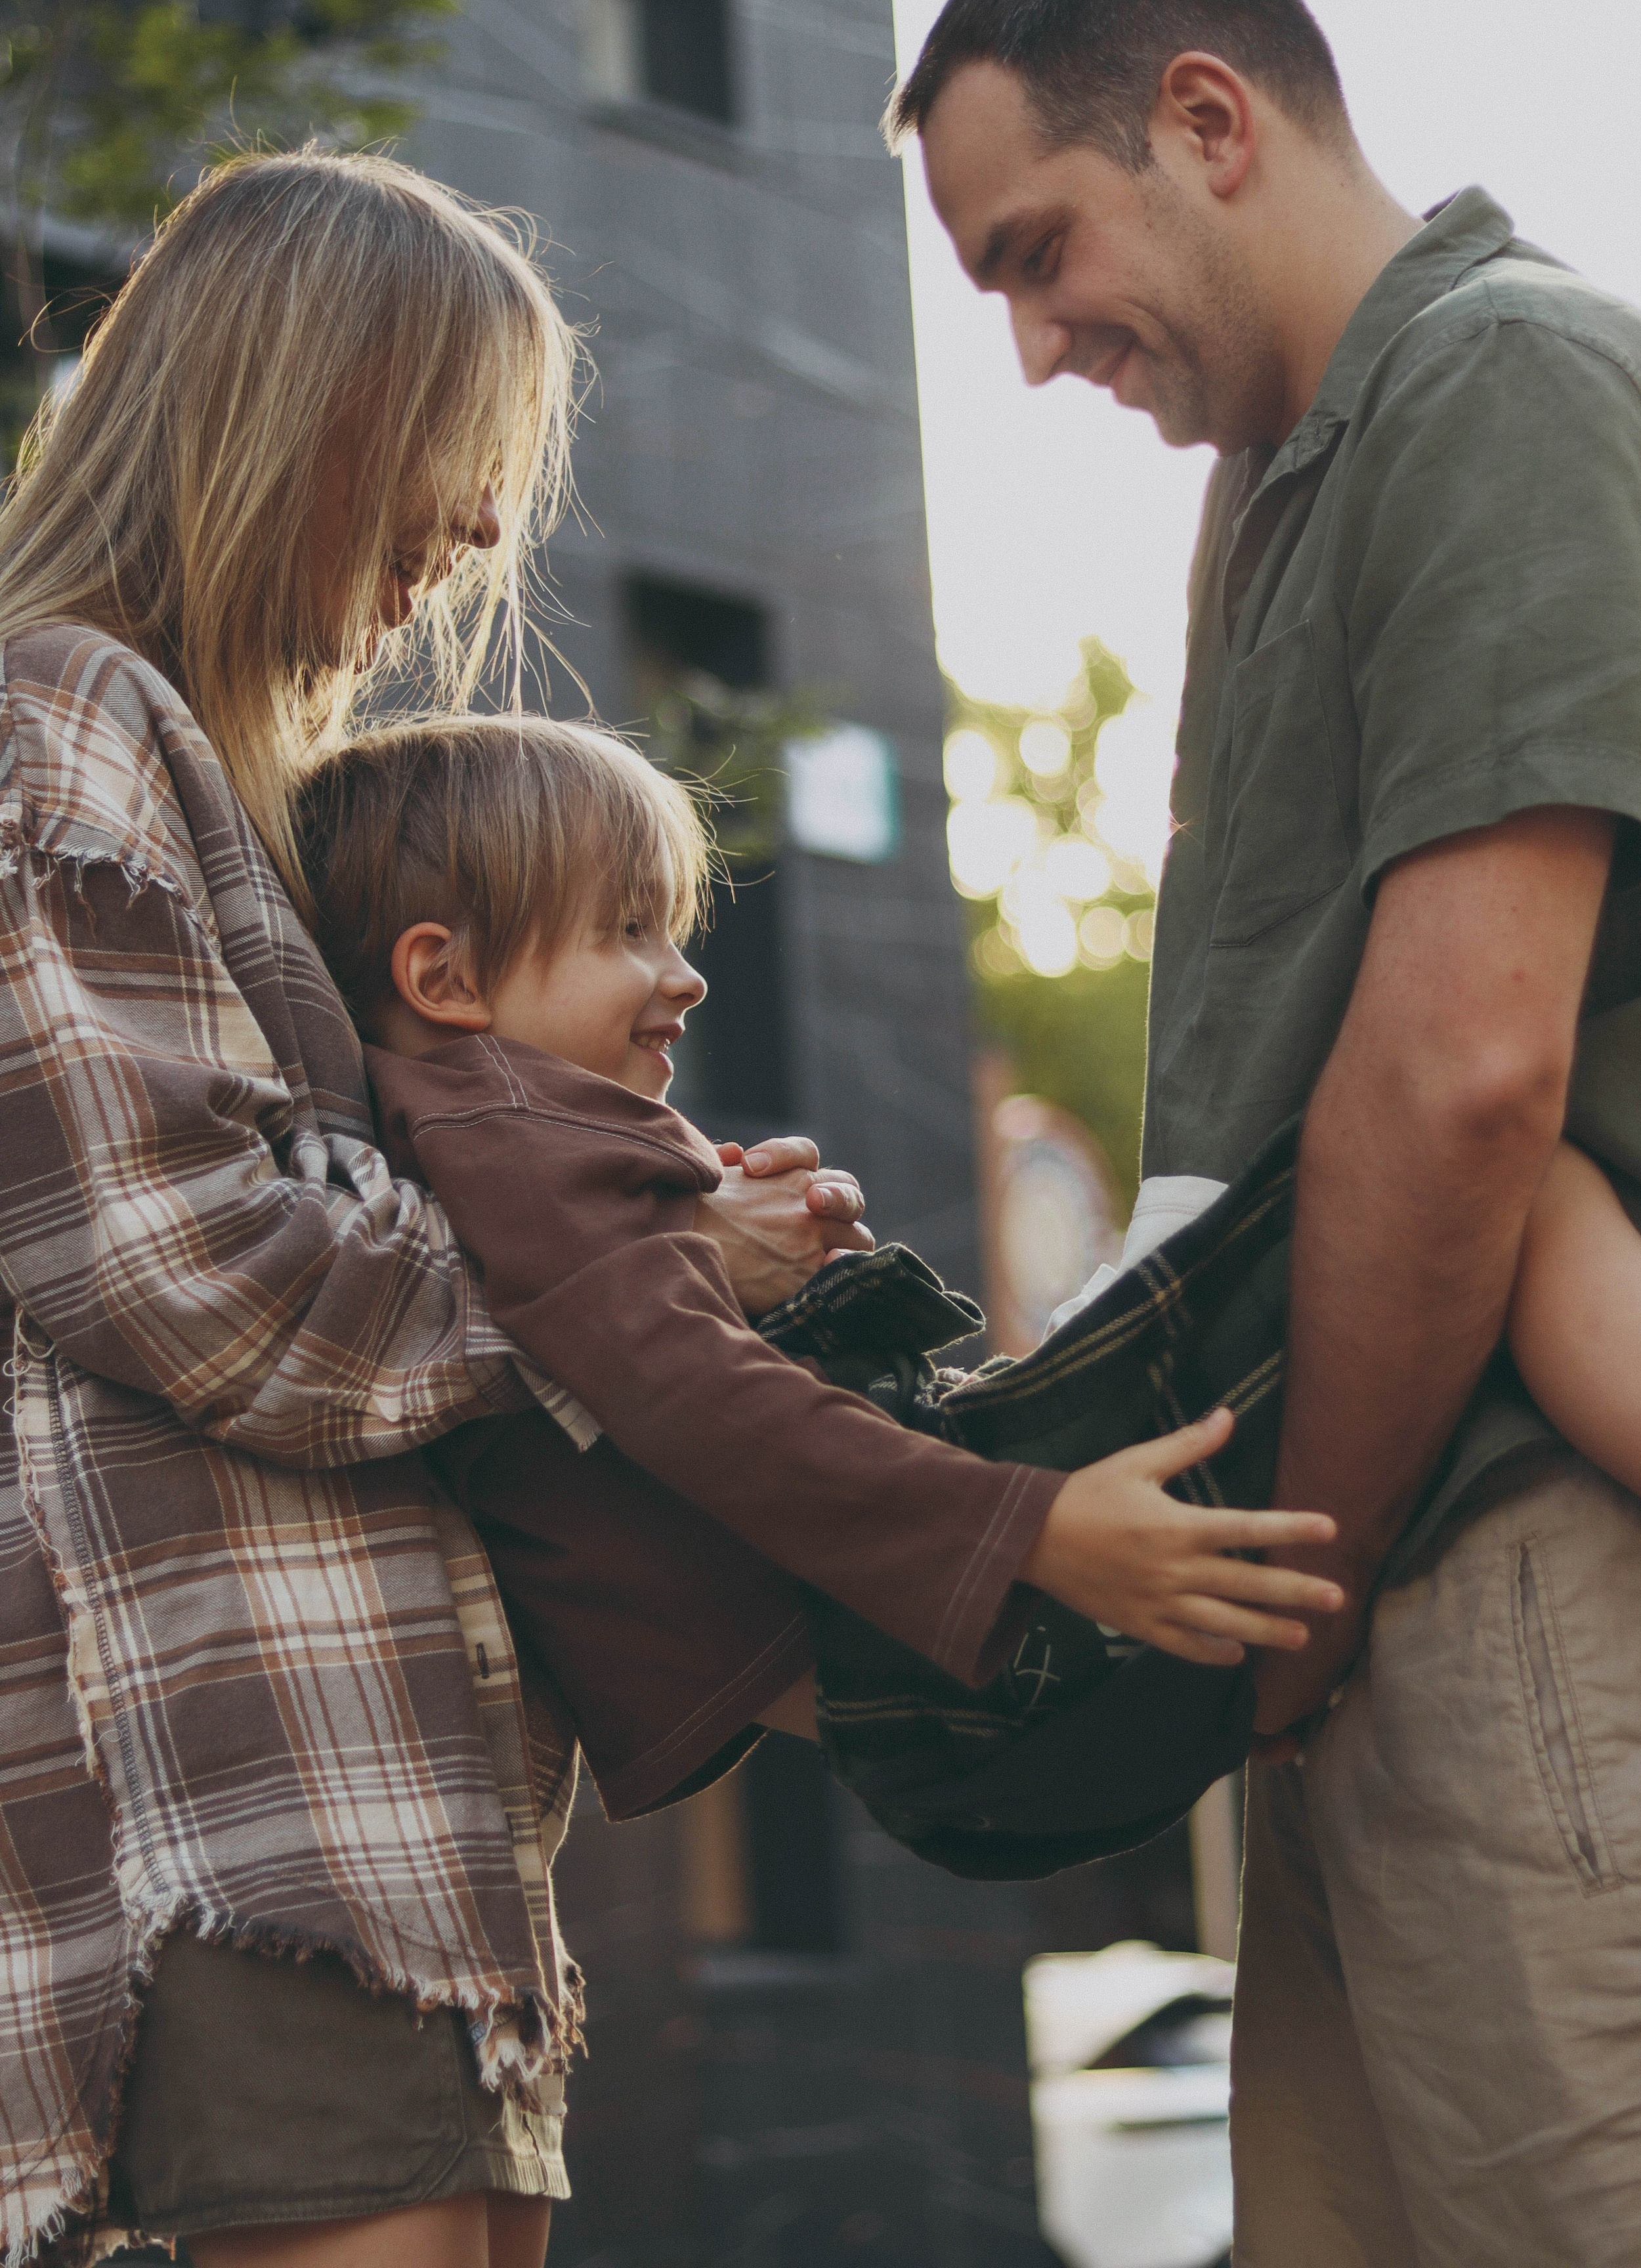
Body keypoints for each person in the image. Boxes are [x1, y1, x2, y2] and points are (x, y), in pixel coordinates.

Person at [0, 145, 1279, 2268]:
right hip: (255, 1837)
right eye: (454, 449)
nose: (486, 526)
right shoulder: (59, 726)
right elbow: (183, 1270)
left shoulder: (208, 793)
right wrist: (660, 1270)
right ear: (304, 406)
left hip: (394, 1827)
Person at [888, 0, 1641, 2265]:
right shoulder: (1284, 489)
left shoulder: (1503, 382)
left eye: (1040, 250)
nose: (1032, 349)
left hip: (1502, 1564)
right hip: (1368, 1601)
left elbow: (1459, 1075)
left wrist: (1292, 1598)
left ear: (1209, 122)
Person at [290, 710, 1346, 1788]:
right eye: (626, 932)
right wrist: (1031, 1533)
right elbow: (696, 1390)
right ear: (447, 980)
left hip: (860, 1629)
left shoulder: (481, 1136)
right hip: (883, 1634)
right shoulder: (503, 1126)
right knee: (1297, 1266)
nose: (685, 974)